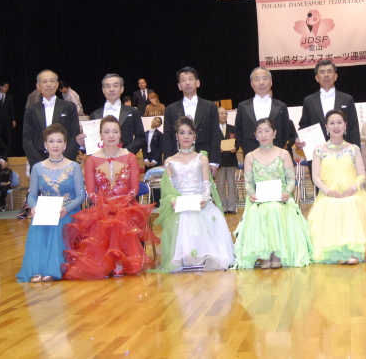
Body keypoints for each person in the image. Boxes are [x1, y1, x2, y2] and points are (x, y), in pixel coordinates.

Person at [63, 116, 159, 279]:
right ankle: (105, 263)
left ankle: (118, 263)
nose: (111, 135)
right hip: (101, 206)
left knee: (120, 218)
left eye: (115, 131)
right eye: (107, 132)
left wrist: (121, 203)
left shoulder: (130, 157)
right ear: (101, 134)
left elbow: (134, 188)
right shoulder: (92, 160)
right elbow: (90, 191)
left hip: (127, 205)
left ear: (120, 134)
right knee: (107, 218)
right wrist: (104, 204)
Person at [149, 116, 234, 273]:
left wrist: (205, 198)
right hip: (180, 204)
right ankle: (184, 257)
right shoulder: (169, 161)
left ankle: (202, 256)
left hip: (199, 202)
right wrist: (173, 200)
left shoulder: (202, 158)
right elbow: (168, 188)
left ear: (195, 136)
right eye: (182, 133)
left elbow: (206, 184)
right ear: (177, 136)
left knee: (201, 215)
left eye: (189, 133)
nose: (186, 136)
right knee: (184, 216)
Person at [233, 118, 312, 269]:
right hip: (259, 198)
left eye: (267, 131)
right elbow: (248, 182)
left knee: (274, 208)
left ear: (274, 133)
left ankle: (276, 254)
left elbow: (291, 179)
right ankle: (265, 254)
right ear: (255, 135)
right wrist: (251, 194)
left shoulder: (283, 154)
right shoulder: (250, 156)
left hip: (280, 197)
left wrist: (287, 193)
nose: (263, 135)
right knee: (257, 211)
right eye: (259, 131)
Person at [16, 124, 85, 282]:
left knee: (58, 225)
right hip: (45, 212)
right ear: (45, 144)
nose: (55, 145)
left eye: (59, 141)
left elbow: (81, 196)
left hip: (68, 212)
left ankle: (53, 269)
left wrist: (65, 209)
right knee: (38, 225)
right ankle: (37, 269)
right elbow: (32, 195)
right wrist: (34, 207)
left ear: (65, 144)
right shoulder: (37, 168)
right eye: (51, 141)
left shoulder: (74, 167)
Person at [308, 110, 366, 264]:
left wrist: (352, 188)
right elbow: (316, 177)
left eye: (339, 122)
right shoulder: (319, 150)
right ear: (326, 127)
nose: (336, 126)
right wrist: (328, 191)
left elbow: (362, 175)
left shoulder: (354, 149)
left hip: (351, 192)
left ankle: (351, 252)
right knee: (329, 204)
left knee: (352, 203)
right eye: (332, 123)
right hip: (328, 194)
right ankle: (337, 253)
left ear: (345, 125)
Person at [163, 67, 222, 175]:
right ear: (179, 86)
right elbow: (167, 138)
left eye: (190, 79)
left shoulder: (210, 107)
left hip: (204, 158)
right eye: (183, 80)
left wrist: (214, 161)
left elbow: (215, 135)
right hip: (178, 160)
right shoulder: (170, 109)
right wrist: (168, 161)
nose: (187, 83)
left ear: (197, 83)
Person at [234, 67, 298, 157]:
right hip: (251, 154)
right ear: (251, 83)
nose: (261, 82)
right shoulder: (243, 106)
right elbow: (238, 131)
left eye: (265, 78)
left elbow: (285, 131)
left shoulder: (281, 106)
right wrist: (246, 148)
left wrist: (279, 146)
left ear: (271, 82)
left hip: (276, 154)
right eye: (257, 79)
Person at [76, 74, 146, 156]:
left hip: (125, 159)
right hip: (100, 160)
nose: (111, 89)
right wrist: (83, 145)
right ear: (103, 90)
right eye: (108, 86)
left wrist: (125, 152)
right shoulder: (94, 115)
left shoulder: (133, 112)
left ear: (122, 89)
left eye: (115, 86)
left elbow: (141, 138)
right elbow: (91, 145)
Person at [297, 60, 361, 148]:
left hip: (343, 150)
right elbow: (304, 125)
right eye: (322, 72)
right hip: (318, 150)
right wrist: (298, 138)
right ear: (317, 78)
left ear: (335, 76)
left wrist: (356, 151)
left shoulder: (347, 99)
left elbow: (354, 127)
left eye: (329, 71)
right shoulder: (309, 100)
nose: (326, 75)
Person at [22, 70, 80, 168]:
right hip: (39, 164)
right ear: (38, 86)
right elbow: (27, 140)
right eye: (45, 81)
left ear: (57, 84)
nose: (49, 84)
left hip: (65, 163)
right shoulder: (31, 110)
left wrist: (64, 161)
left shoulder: (69, 107)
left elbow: (74, 136)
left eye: (52, 81)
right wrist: (40, 165)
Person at [217, 106, 239, 214]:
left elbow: (238, 142)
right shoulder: (213, 129)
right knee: (220, 186)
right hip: (219, 161)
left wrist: (236, 148)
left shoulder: (232, 128)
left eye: (225, 113)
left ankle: (231, 208)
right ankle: (222, 207)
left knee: (232, 185)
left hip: (231, 160)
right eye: (221, 113)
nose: (224, 115)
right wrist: (217, 149)